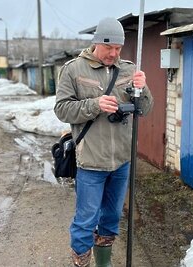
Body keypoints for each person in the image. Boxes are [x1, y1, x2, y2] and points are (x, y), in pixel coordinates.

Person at [54, 17, 153, 267]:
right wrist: (95, 105)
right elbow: (62, 110)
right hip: (91, 161)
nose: (114, 53)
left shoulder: (129, 69)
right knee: (86, 220)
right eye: (109, 48)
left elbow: (145, 109)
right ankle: (81, 262)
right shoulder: (74, 69)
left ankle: (104, 263)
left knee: (111, 217)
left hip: (121, 160)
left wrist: (143, 89)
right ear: (96, 42)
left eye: (118, 48)